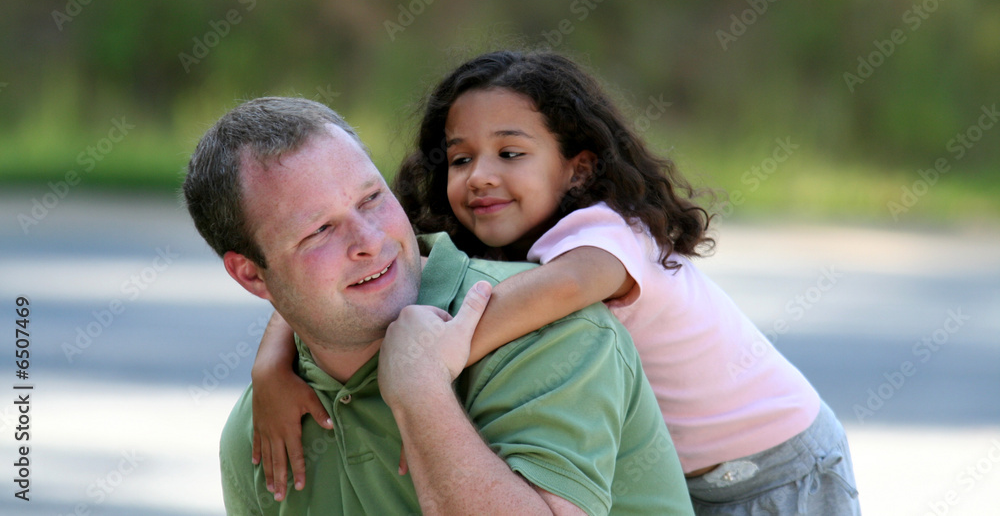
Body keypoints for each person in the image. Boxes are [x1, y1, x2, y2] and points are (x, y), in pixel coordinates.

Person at [253, 51, 862, 515]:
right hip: (684, 476)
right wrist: (272, 366)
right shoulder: (494, 240)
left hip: (777, 471)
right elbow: (357, 267)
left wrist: (417, 359)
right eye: (461, 159)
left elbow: (544, 295)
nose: (480, 176)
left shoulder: (604, 240)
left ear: (578, 168)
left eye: (511, 154)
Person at [183, 96, 694, 515]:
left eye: (371, 200)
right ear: (250, 273)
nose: (370, 240)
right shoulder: (261, 436)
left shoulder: (556, 335)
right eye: (319, 230)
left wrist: (421, 393)